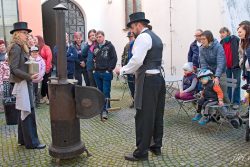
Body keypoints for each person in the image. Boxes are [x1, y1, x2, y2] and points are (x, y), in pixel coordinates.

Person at [120, 12, 166, 161]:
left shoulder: (143, 37)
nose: (132, 31)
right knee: (157, 114)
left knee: (144, 116)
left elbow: (137, 60)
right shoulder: (155, 37)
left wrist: (122, 70)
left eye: (132, 27)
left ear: (139, 25)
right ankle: (156, 146)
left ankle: (141, 152)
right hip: (158, 79)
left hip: (147, 81)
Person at [8, 22, 45, 149]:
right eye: (24, 33)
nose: (27, 35)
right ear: (17, 34)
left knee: (23, 111)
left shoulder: (21, 46)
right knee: (28, 111)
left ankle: (23, 139)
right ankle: (32, 143)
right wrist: (29, 76)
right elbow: (13, 68)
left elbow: (20, 66)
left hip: (24, 82)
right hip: (22, 83)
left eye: (27, 33)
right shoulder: (16, 47)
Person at [199, 30, 230, 103]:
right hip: (210, 73)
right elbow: (203, 64)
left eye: (204, 39)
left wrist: (217, 77)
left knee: (223, 94)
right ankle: (214, 113)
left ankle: (229, 111)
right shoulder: (201, 49)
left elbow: (220, 62)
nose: (202, 41)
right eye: (201, 39)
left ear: (209, 39)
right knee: (210, 94)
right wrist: (204, 75)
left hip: (221, 73)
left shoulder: (218, 47)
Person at [93, 30, 117, 120]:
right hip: (97, 73)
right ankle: (104, 106)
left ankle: (104, 111)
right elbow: (93, 58)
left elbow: (114, 58)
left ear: (103, 36)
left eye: (100, 36)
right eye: (97, 37)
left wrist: (109, 69)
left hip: (106, 73)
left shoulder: (110, 46)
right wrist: (94, 70)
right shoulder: (95, 47)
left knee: (106, 91)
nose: (98, 38)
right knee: (100, 91)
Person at [219, 27, 240, 108]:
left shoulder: (235, 39)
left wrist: (240, 62)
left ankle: (236, 102)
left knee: (236, 84)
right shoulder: (221, 42)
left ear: (227, 32)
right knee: (227, 85)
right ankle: (228, 102)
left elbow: (241, 50)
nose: (221, 35)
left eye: (223, 32)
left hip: (236, 66)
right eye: (220, 33)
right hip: (226, 67)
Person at [35, 35, 52, 105]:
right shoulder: (36, 48)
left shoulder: (46, 47)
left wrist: (47, 68)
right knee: (43, 83)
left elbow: (49, 58)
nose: (34, 41)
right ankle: (44, 97)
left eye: (36, 40)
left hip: (46, 68)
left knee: (46, 83)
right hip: (40, 68)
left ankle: (49, 98)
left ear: (40, 40)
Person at [239, 21, 250, 118]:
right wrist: (244, 73)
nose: (238, 33)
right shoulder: (244, 41)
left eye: (240, 31)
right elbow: (245, 57)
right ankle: (249, 112)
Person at [121, 31, 135, 108]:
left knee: (137, 87)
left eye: (131, 37)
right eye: (129, 37)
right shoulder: (127, 46)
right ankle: (134, 101)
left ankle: (138, 102)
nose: (130, 38)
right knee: (131, 86)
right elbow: (123, 56)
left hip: (136, 71)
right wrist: (123, 67)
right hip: (128, 70)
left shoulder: (137, 45)